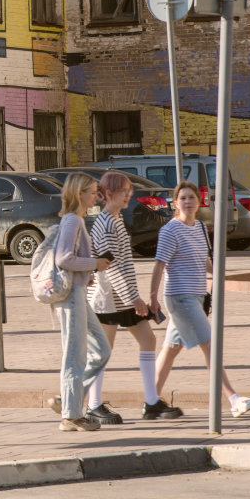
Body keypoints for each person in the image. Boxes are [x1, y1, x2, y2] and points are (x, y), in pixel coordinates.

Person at [149, 180, 250, 417]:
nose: (188, 202)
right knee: (210, 345)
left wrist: (221, 275)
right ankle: (234, 400)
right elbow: (159, 265)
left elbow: (205, 261)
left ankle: (151, 402)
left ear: (198, 203)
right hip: (180, 298)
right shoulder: (170, 230)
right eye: (183, 198)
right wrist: (153, 298)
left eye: (191, 198)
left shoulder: (199, 227)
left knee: (170, 349)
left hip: (197, 296)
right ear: (175, 203)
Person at [85, 170, 183, 422]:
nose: (129, 195)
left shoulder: (116, 220)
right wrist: (135, 299)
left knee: (148, 341)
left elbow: (123, 265)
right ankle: (93, 406)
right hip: (107, 298)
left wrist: (133, 297)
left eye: (130, 191)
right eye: (123, 192)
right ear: (108, 194)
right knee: (102, 351)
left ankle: (151, 402)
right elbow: (112, 265)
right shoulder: (105, 223)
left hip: (124, 297)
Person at [44, 171, 114, 431]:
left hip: (78, 293)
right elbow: (63, 258)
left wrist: (87, 273)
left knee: (102, 351)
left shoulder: (77, 220)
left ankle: (67, 401)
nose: (97, 195)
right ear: (79, 194)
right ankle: (71, 416)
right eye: (93, 191)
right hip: (71, 297)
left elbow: (72, 261)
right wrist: (94, 264)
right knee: (75, 356)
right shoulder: (73, 220)